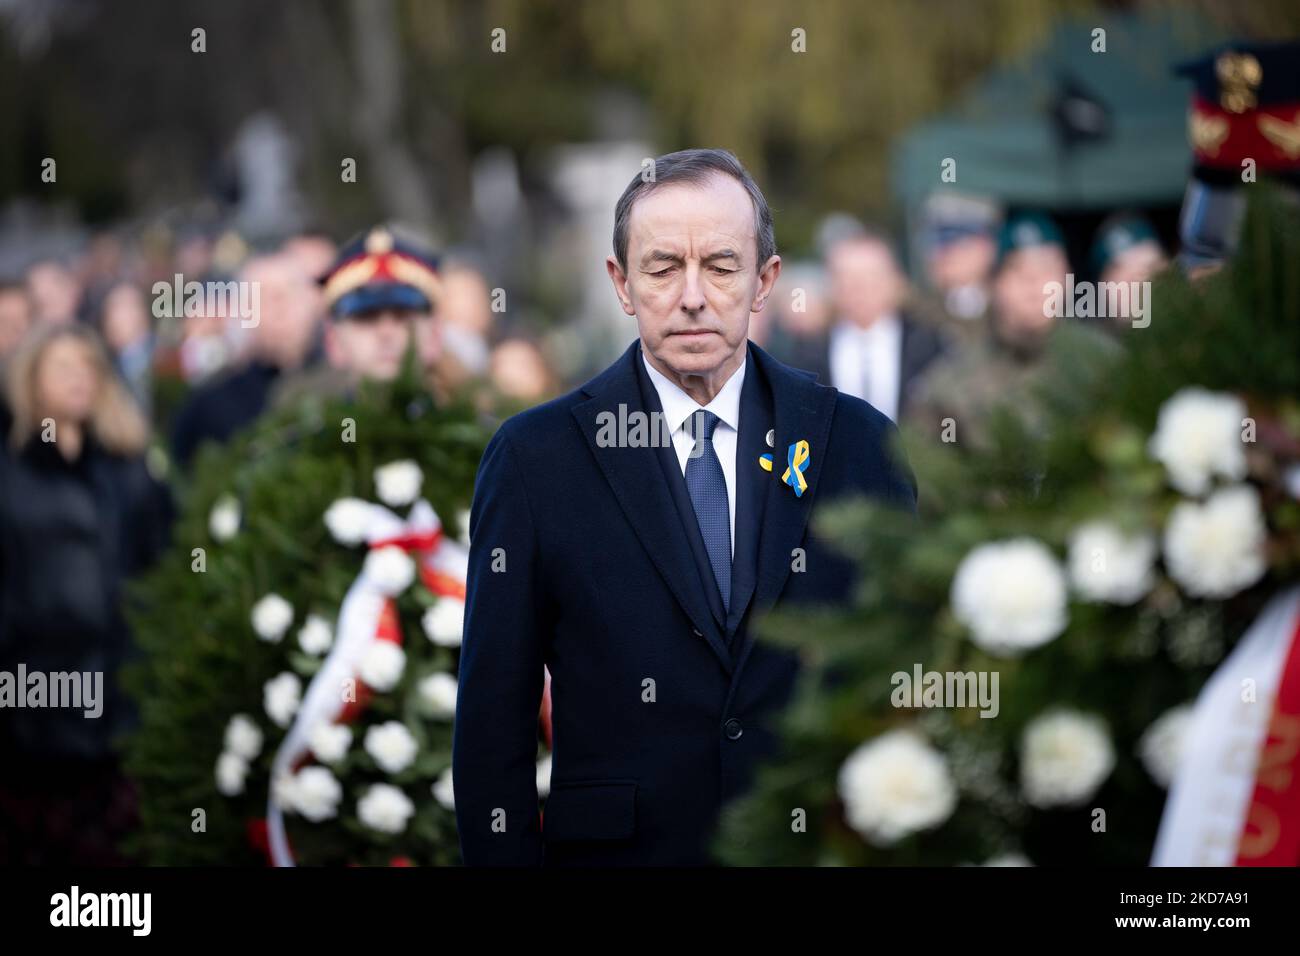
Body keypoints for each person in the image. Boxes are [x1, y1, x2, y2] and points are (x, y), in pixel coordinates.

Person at [453, 148, 917, 867]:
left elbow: (907, 682)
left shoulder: (855, 446)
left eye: (721, 266)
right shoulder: (535, 459)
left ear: (766, 280)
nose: (693, 296)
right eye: (664, 267)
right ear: (621, 282)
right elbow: (492, 730)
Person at [0, 324, 173, 865]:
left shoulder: (128, 466)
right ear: (32, 381)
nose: (78, 380)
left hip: (123, 695)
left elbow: (162, 563)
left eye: (87, 367)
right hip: (35, 703)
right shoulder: (11, 470)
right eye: (62, 368)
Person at [908, 211, 1110, 448]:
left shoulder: (1103, 364)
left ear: (1067, 277)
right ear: (994, 284)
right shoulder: (951, 385)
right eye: (1017, 270)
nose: (1034, 284)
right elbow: (931, 472)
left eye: (1046, 270)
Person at [170, 253, 322, 468]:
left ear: (311, 303)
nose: (280, 310)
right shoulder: (211, 404)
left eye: (289, 295)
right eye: (264, 299)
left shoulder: (343, 380)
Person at [779, 230, 946, 425]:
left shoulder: (930, 344)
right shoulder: (806, 352)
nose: (859, 287)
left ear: (896, 280)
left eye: (871, 275)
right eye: (846, 276)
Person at [271, 225, 446, 409]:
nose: (386, 333)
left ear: (435, 334)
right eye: (366, 318)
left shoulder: (473, 432)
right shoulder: (302, 431)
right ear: (333, 341)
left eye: (402, 317)